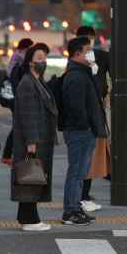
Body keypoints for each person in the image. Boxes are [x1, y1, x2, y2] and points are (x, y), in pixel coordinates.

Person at [61, 37, 107, 225]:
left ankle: (75, 208)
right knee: (76, 173)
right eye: (88, 49)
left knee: (80, 173)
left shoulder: (83, 73)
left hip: (85, 131)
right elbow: (76, 105)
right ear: (77, 54)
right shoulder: (76, 75)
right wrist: (85, 125)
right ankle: (70, 212)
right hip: (80, 132)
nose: (92, 52)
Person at [11, 46, 57, 231]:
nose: (43, 61)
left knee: (33, 178)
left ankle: (29, 217)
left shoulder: (37, 81)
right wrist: (31, 141)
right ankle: (29, 220)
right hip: (32, 139)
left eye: (45, 57)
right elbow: (27, 114)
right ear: (30, 61)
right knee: (29, 177)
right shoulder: (27, 83)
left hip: (40, 137)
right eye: (39, 57)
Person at [76, 26, 112, 207]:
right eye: (84, 37)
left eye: (91, 37)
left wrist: (106, 95)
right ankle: (82, 196)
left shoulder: (103, 56)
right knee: (88, 152)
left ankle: (85, 194)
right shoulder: (76, 60)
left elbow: (112, 76)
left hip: (99, 107)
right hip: (86, 111)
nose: (88, 40)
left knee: (99, 149)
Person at [1, 38, 34, 167]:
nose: (29, 53)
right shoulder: (16, 59)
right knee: (18, 127)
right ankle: (7, 155)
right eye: (27, 50)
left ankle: (9, 155)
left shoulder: (22, 60)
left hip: (18, 98)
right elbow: (10, 74)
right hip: (16, 99)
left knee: (18, 127)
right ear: (20, 49)